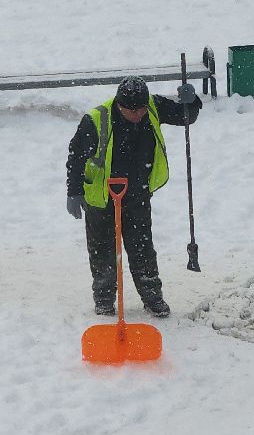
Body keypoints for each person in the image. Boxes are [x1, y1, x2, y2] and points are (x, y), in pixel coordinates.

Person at [66, 75, 201, 317]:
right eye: (132, 110)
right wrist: (74, 192)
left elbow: (185, 117)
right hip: (101, 197)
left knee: (142, 249)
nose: (138, 114)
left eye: (141, 109)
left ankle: (152, 297)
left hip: (137, 194)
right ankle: (104, 299)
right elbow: (76, 157)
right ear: (119, 105)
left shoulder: (152, 107)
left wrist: (191, 102)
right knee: (102, 251)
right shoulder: (96, 119)